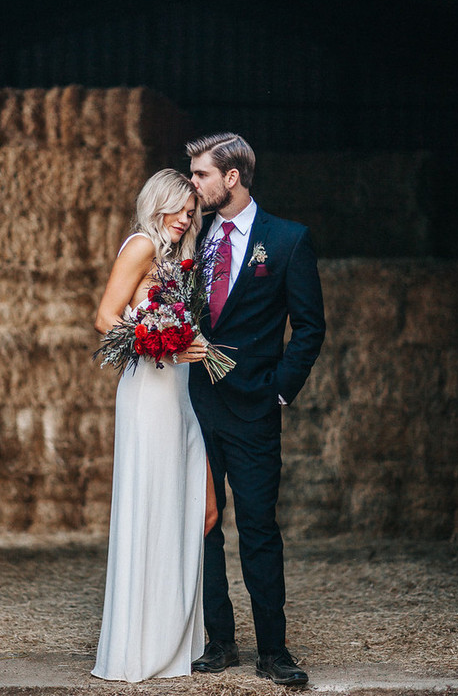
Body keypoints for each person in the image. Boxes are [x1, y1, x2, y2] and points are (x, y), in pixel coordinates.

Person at [187, 133, 326, 687]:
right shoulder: (191, 237)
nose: (193, 185)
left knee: (260, 529)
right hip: (195, 405)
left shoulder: (288, 240)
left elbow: (310, 328)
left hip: (254, 411)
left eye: (200, 175)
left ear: (232, 177)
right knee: (204, 528)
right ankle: (219, 642)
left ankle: (274, 650)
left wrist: (277, 390)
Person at [91, 168, 217, 683]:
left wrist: (190, 341)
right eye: (180, 208)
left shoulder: (177, 257)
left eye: (193, 211)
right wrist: (158, 340)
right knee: (154, 503)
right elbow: (105, 316)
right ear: (158, 203)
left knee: (191, 508)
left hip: (179, 394)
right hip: (149, 393)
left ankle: (173, 639)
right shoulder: (142, 244)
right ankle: (141, 647)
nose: (188, 218)